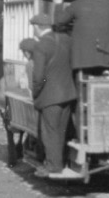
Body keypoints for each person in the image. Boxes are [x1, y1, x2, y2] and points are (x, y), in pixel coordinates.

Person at [29, 13, 79, 179]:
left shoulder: (41, 45)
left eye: (33, 28)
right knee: (62, 130)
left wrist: (36, 92)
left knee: (50, 132)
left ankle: (53, 166)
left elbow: (39, 76)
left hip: (50, 96)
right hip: (68, 92)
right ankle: (61, 163)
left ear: (37, 27)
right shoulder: (66, 40)